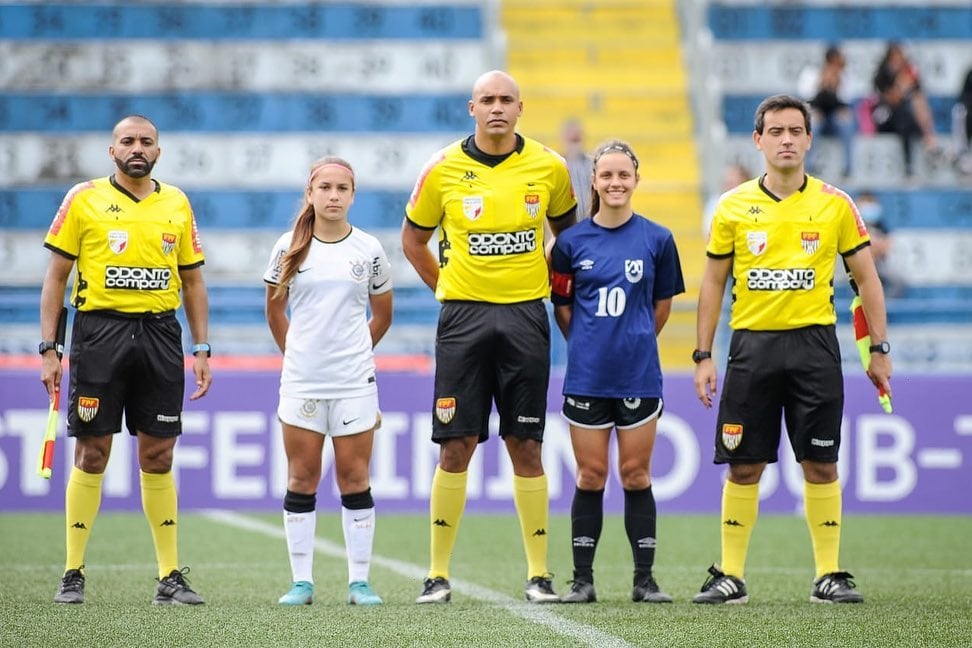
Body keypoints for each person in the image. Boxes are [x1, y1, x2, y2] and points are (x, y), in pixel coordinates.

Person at [692, 95, 892, 605]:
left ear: (808, 139)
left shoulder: (835, 204)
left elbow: (866, 279)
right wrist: (703, 354)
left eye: (794, 131)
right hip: (751, 348)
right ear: (758, 141)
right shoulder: (733, 206)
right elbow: (713, 283)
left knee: (821, 464)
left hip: (814, 348)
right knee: (744, 466)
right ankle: (730, 574)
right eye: (775, 131)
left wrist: (880, 348)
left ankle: (829, 573)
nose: (785, 139)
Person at [401, 69, 577, 604]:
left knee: (526, 443)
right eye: (487, 100)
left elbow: (571, 241)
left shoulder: (550, 166)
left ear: (521, 108)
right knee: (455, 446)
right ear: (471, 108)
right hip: (464, 321)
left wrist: (554, 289)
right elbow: (413, 241)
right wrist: (447, 288)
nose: (496, 107)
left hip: (526, 317)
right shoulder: (442, 169)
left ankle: (539, 574)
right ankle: (436, 574)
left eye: (506, 99)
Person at [39, 114, 211, 605]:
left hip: (160, 335)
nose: (137, 147)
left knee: (158, 454)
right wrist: (49, 348)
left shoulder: (176, 202)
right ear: (111, 150)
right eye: (128, 140)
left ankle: (169, 576)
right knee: (93, 452)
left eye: (146, 141)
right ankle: (73, 571)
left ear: (158, 151)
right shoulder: (83, 198)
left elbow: (194, 280)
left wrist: (201, 348)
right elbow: (55, 277)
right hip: (100, 335)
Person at [550, 140, 685, 604]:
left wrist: (633, 340)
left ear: (636, 180)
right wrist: (591, 345)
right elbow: (563, 309)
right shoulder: (570, 244)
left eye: (623, 175)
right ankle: (582, 580)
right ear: (594, 181)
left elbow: (660, 308)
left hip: (638, 376)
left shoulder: (658, 239)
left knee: (636, 475)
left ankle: (644, 580)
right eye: (606, 175)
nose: (615, 183)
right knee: (590, 476)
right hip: (587, 377)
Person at [264, 156, 393, 607]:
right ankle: (302, 582)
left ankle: (359, 581)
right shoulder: (288, 248)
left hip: (355, 382)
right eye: (325, 188)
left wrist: (355, 352)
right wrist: (297, 354)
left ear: (353, 195)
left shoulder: (370, 249)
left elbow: (382, 315)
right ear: (310, 193)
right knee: (302, 477)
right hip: (301, 381)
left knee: (355, 477)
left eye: (343, 188)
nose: (334, 196)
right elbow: (275, 312)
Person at [871, 42, 940, 177]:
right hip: (886, 115)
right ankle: (927, 141)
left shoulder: (908, 72)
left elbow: (916, 91)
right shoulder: (883, 74)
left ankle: (929, 139)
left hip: (905, 116)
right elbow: (889, 98)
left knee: (915, 106)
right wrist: (900, 86)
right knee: (906, 118)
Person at [797, 45, 856, 178]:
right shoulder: (811, 73)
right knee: (813, 122)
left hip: (835, 114)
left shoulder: (845, 76)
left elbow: (846, 101)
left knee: (847, 123)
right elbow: (806, 97)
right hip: (817, 111)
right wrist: (822, 83)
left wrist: (837, 85)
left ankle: (848, 167)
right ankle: (810, 165)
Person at [560, 118, 594, 220]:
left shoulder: (592, 164)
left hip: (589, 224)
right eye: (571, 137)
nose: (574, 136)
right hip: (565, 226)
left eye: (577, 137)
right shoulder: (557, 165)